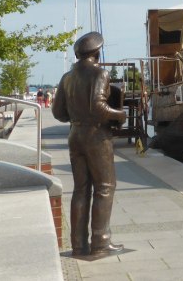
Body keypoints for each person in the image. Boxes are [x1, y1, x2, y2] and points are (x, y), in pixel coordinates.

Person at [51, 31, 126, 257]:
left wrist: (76, 117)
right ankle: (101, 242)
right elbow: (98, 107)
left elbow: (57, 112)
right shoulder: (100, 74)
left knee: (81, 189)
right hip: (96, 136)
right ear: (97, 52)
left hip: (75, 134)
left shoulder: (67, 78)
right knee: (105, 188)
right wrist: (119, 115)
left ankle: (78, 244)